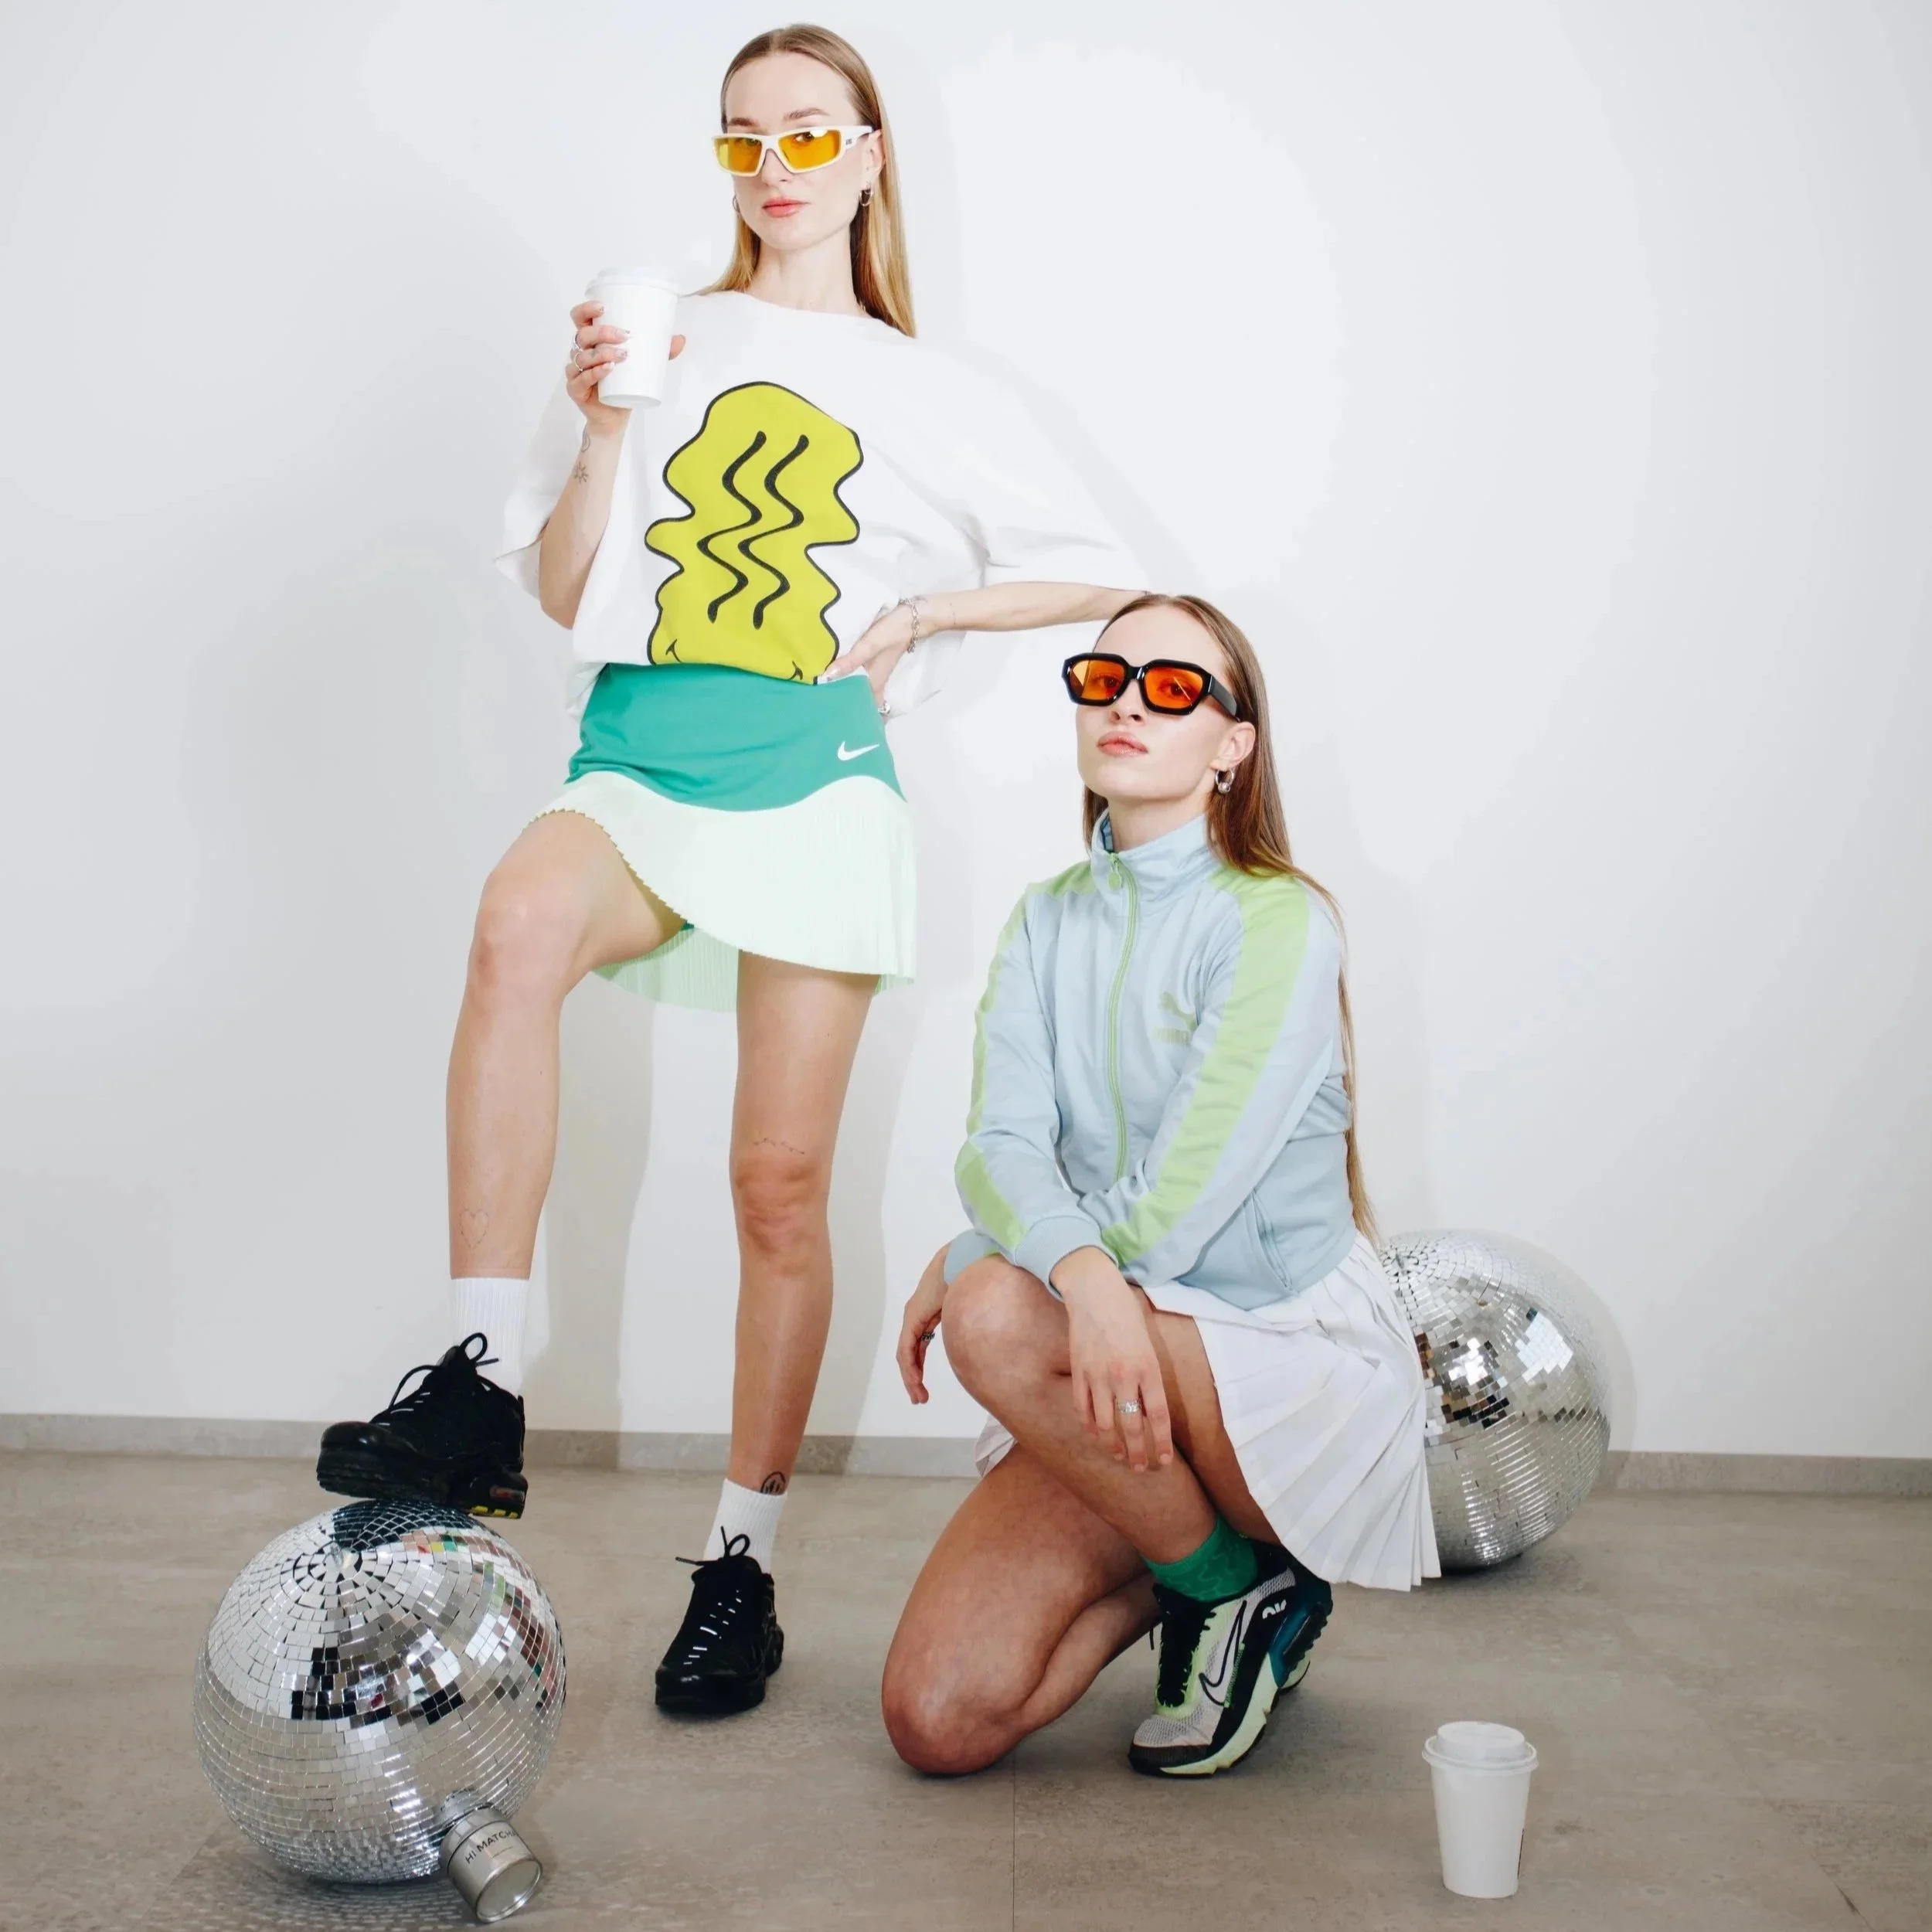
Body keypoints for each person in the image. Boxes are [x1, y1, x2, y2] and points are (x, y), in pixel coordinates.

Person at [314, 23, 1141, 1718]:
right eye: (740, 137)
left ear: (868, 154)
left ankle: (740, 1564)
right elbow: (562, 592)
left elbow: (1093, 569)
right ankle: (477, 1384)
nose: (772, 165)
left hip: (815, 781)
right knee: (516, 924)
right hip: (634, 758)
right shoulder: (658, 332)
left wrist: (923, 614)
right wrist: (602, 427)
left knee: (775, 1188)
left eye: (807, 134)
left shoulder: (933, 388)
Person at [881, 594, 1438, 1779]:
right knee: (940, 1719)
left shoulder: (1278, 922)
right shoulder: (1043, 923)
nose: (1129, 700)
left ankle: (1227, 1559)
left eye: (1176, 687)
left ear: (1233, 744)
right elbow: (999, 1146)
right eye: (1106, 678)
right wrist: (1065, 1267)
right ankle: (1229, 1584)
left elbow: (1187, 1196)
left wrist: (999, 1260)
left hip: (1284, 1356)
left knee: (987, 1310)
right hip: (1117, 1338)